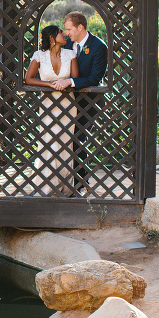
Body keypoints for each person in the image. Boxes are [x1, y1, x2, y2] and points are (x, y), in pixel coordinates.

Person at [49, 11, 108, 191]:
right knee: (65, 140)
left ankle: (81, 183)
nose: (67, 33)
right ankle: (67, 180)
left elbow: (95, 78)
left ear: (80, 27)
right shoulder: (68, 46)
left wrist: (70, 82)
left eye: (69, 29)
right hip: (68, 102)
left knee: (79, 140)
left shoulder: (98, 47)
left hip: (89, 102)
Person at [24, 24, 80, 196]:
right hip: (48, 104)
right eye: (61, 32)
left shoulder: (70, 54)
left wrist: (66, 82)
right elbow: (29, 78)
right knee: (49, 143)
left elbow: (75, 78)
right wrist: (48, 84)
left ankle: (64, 186)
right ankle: (47, 185)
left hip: (67, 105)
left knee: (64, 144)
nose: (65, 35)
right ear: (51, 37)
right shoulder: (39, 56)